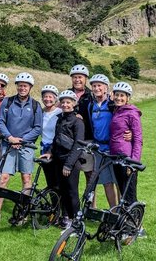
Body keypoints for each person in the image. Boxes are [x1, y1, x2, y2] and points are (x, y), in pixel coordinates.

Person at [0, 72, 43, 224]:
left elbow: (37, 128)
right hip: (8, 143)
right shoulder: (7, 102)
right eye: (20, 85)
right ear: (16, 86)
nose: (22, 88)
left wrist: (22, 140)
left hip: (26, 146)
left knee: (26, 178)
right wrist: (10, 138)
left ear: (30, 88)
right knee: (3, 178)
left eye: (25, 86)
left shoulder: (35, 105)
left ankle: (23, 213)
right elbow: (0, 122)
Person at [40, 90, 85, 231]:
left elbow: (78, 144)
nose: (65, 105)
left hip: (70, 161)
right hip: (58, 159)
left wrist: (69, 164)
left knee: (72, 191)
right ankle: (66, 216)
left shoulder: (78, 121)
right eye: (63, 102)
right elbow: (56, 139)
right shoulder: (60, 119)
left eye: (68, 102)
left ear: (74, 104)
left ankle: (76, 221)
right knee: (62, 190)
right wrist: (49, 152)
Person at [109, 81, 145, 237]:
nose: (119, 98)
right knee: (122, 193)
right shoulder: (116, 111)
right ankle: (126, 225)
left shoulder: (132, 113)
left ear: (128, 97)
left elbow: (138, 139)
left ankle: (135, 229)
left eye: (122, 95)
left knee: (129, 195)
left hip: (127, 159)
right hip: (115, 157)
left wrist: (134, 162)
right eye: (116, 95)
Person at [88, 74, 117, 208]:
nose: (96, 88)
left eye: (99, 85)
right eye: (94, 86)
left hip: (113, 148)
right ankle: (113, 211)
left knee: (118, 182)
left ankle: (122, 213)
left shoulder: (112, 104)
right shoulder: (91, 106)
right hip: (99, 149)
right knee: (106, 182)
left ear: (106, 88)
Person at [67, 65, 95, 204]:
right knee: (70, 173)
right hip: (69, 140)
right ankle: (73, 206)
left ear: (85, 79)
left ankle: (91, 206)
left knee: (89, 174)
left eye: (80, 77)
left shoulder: (91, 95)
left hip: (86, 139)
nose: (77, 80)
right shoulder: (66, 94)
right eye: (75, 77)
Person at [40, 85, 62, 190]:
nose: (47, 99)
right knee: (49, 180)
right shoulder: (40, 112)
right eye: (45, 96)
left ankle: (60, 205)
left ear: (55, 98)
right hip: (43, 148)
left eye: (50, 97)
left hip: (56, 149)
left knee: (58, 181)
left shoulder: (60, 113)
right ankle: (52, 205)